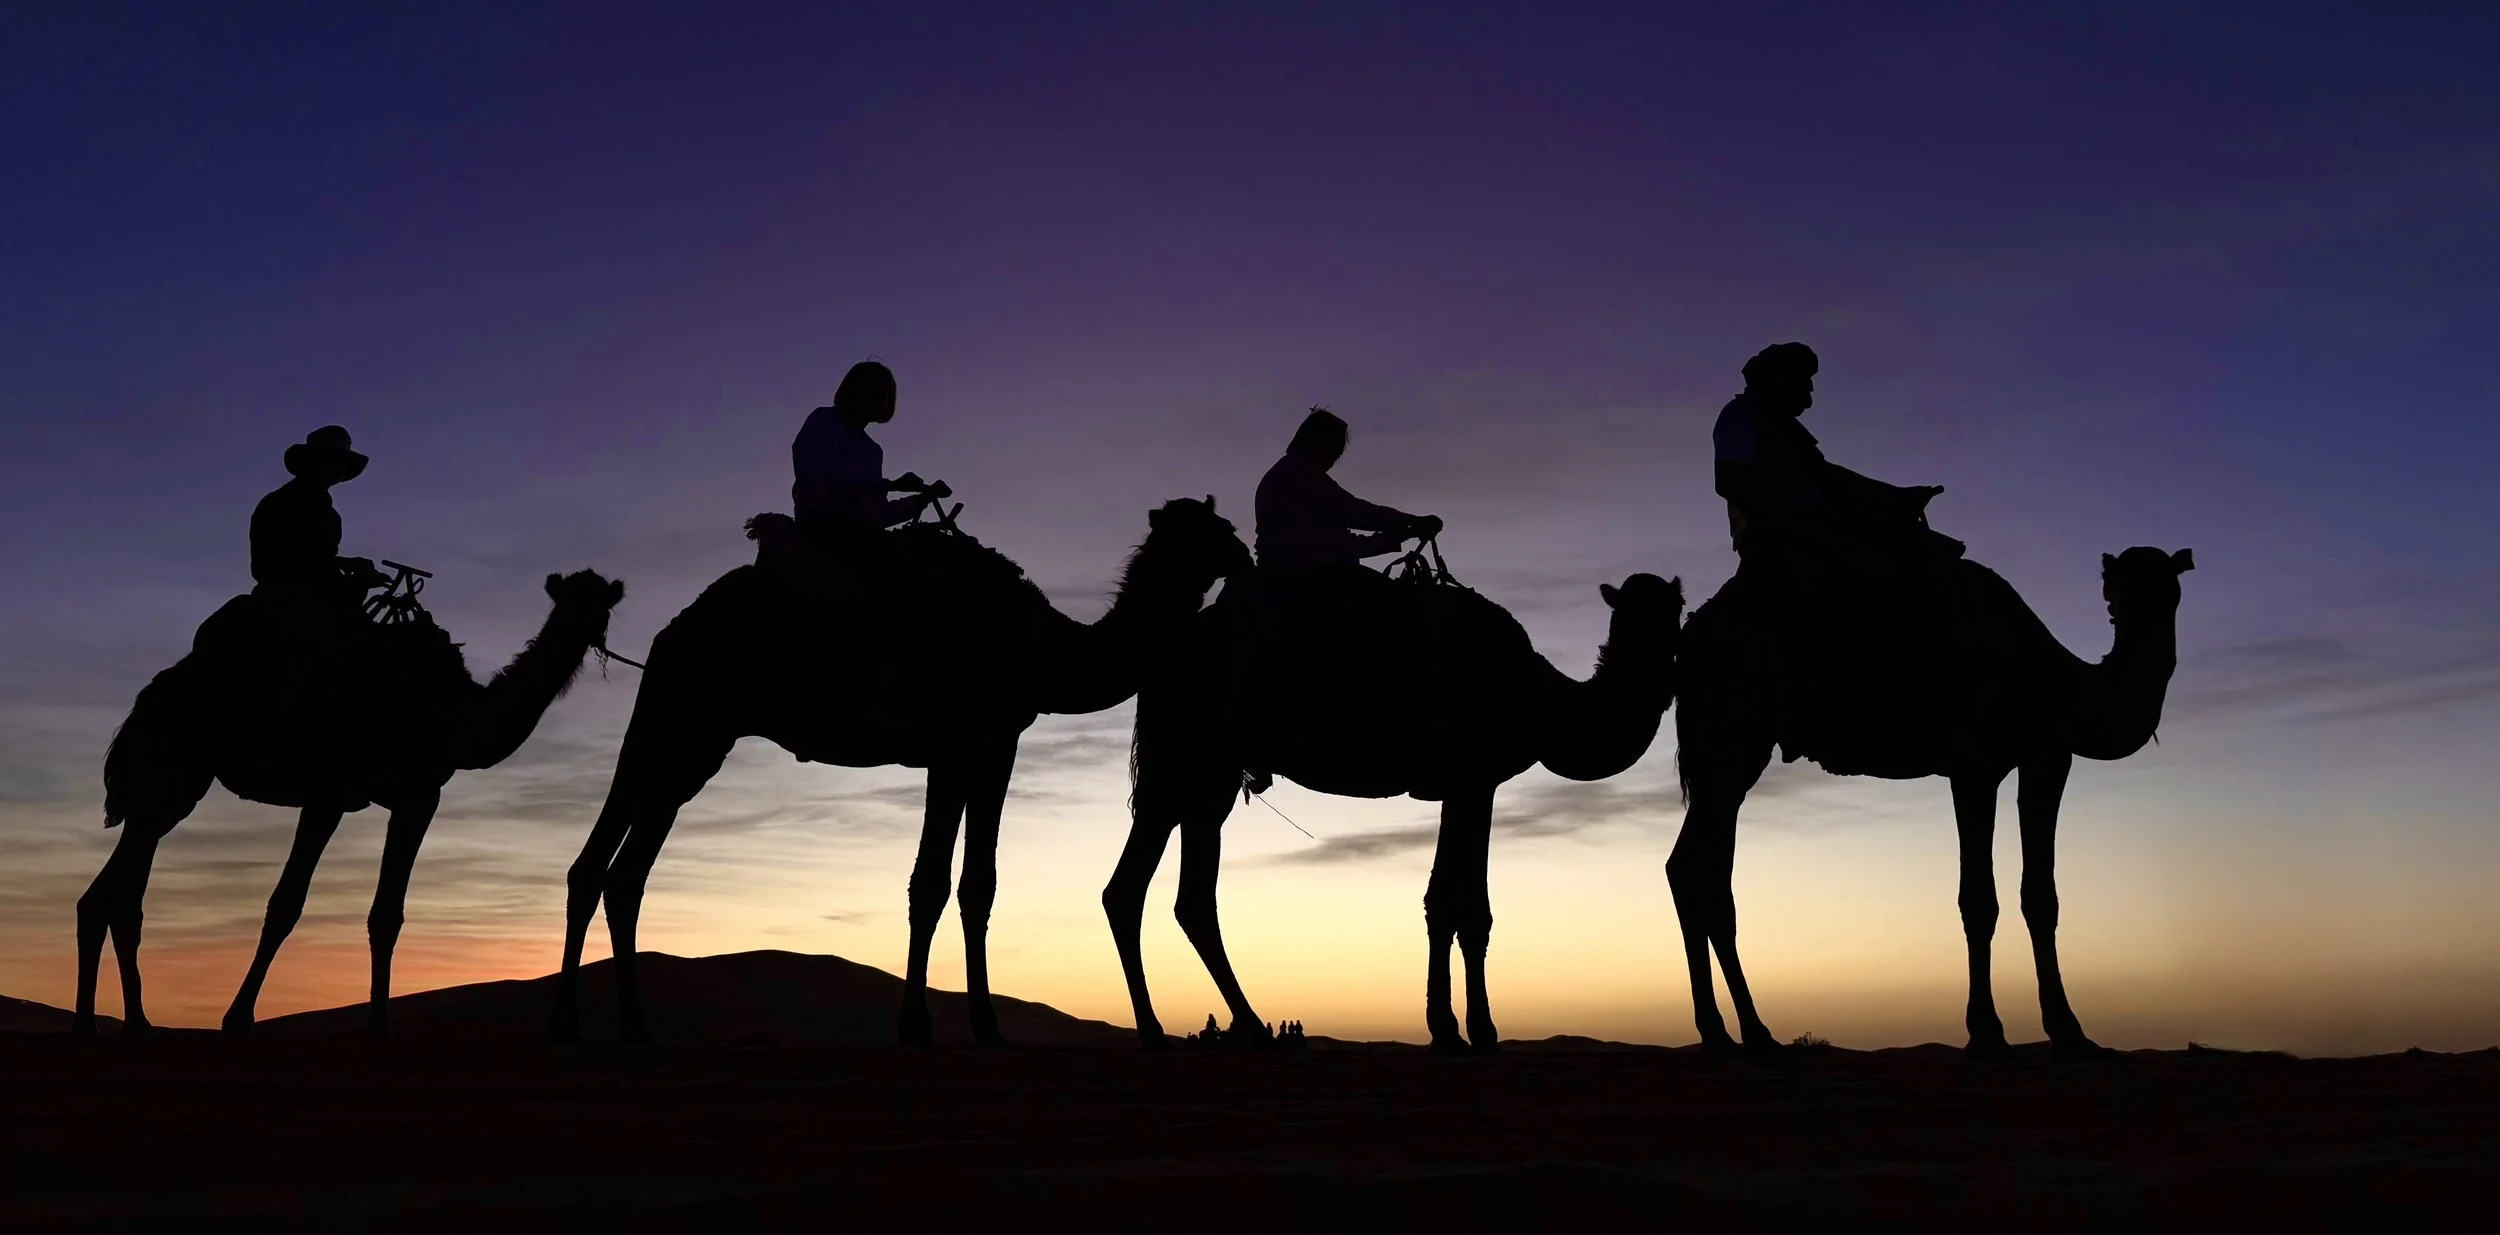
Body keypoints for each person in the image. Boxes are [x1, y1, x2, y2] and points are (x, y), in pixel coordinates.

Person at [1711, 342, 1953, 569]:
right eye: (1802, 381)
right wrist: (1804, 513)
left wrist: (1896, 495)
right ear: (1777, 378)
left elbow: (1830, 476)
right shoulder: (1742, 414)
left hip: (1820, 526)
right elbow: (1731, 481)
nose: (1808, 397)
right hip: (1778, 536)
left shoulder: (1791, 433)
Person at [1253, 407, 1439, 576]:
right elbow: (1355, 513)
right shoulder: (1300, 473)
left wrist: (1407, 531)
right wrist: (1411, 523)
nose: (1335, 457)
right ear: (1317, 442)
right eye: (1334, 447)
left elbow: (1343, 541)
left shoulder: (1290, 472)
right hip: (1308, 575)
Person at [791, 360, 950, 556]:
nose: (878, 397)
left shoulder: (873, 451)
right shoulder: (824, 419)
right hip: (821, 526)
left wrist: (924, 498)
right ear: (852, 389)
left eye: (884, 393)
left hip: (863, 533)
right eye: (871, 389)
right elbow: (826, 478)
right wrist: (892, 485)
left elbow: (876, 514)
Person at [250, 425, 383, 620]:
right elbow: (276, 565)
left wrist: (356, 576)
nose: (338, 468)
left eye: (342, 462)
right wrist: (346, 567)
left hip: (319, 598)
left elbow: (323, 562)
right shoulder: (279, 503)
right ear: (312, 461)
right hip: (284, 601)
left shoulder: (332, 517)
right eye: (331, 459)